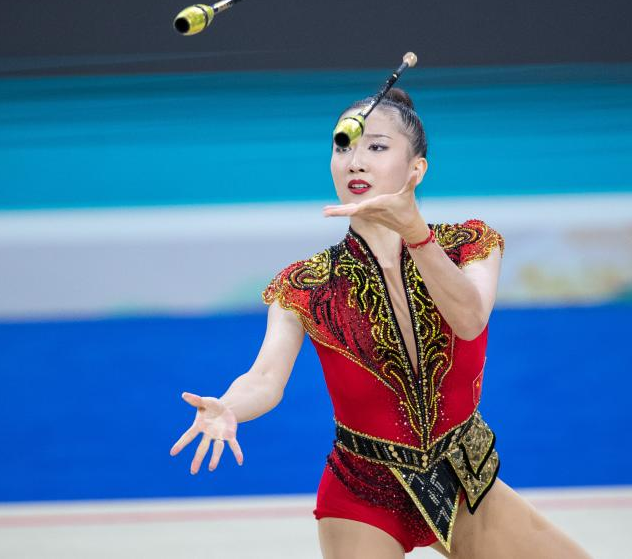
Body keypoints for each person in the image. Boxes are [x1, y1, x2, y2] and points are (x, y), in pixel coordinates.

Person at [171, 88, 592, 558]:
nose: (355, 162)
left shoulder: (469, 244)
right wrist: (229, 406)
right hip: (363, 492)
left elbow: (470, 319)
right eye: (343, 146)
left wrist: (416, 234)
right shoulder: (307, 284)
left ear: (417, 169)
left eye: (376, 146)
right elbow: (265, 377)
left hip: (462, 480)